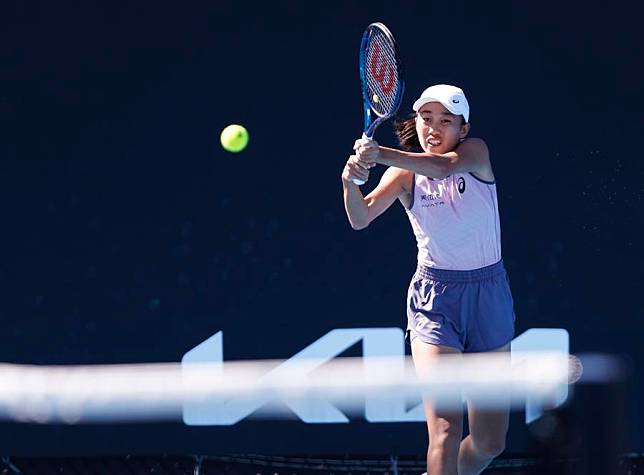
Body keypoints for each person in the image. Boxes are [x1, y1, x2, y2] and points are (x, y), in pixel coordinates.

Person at [341, 84, 515, 475]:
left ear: (463, 129)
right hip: (435, 302)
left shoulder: (475, 153)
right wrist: (350, 181)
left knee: (490, 441)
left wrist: (379, 153)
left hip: (489, 296)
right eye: (425, 118)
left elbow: (443, 167)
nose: (433, 128)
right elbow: (360, 218)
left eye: (445, 121)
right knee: (444, 430)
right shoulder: (404, 174)